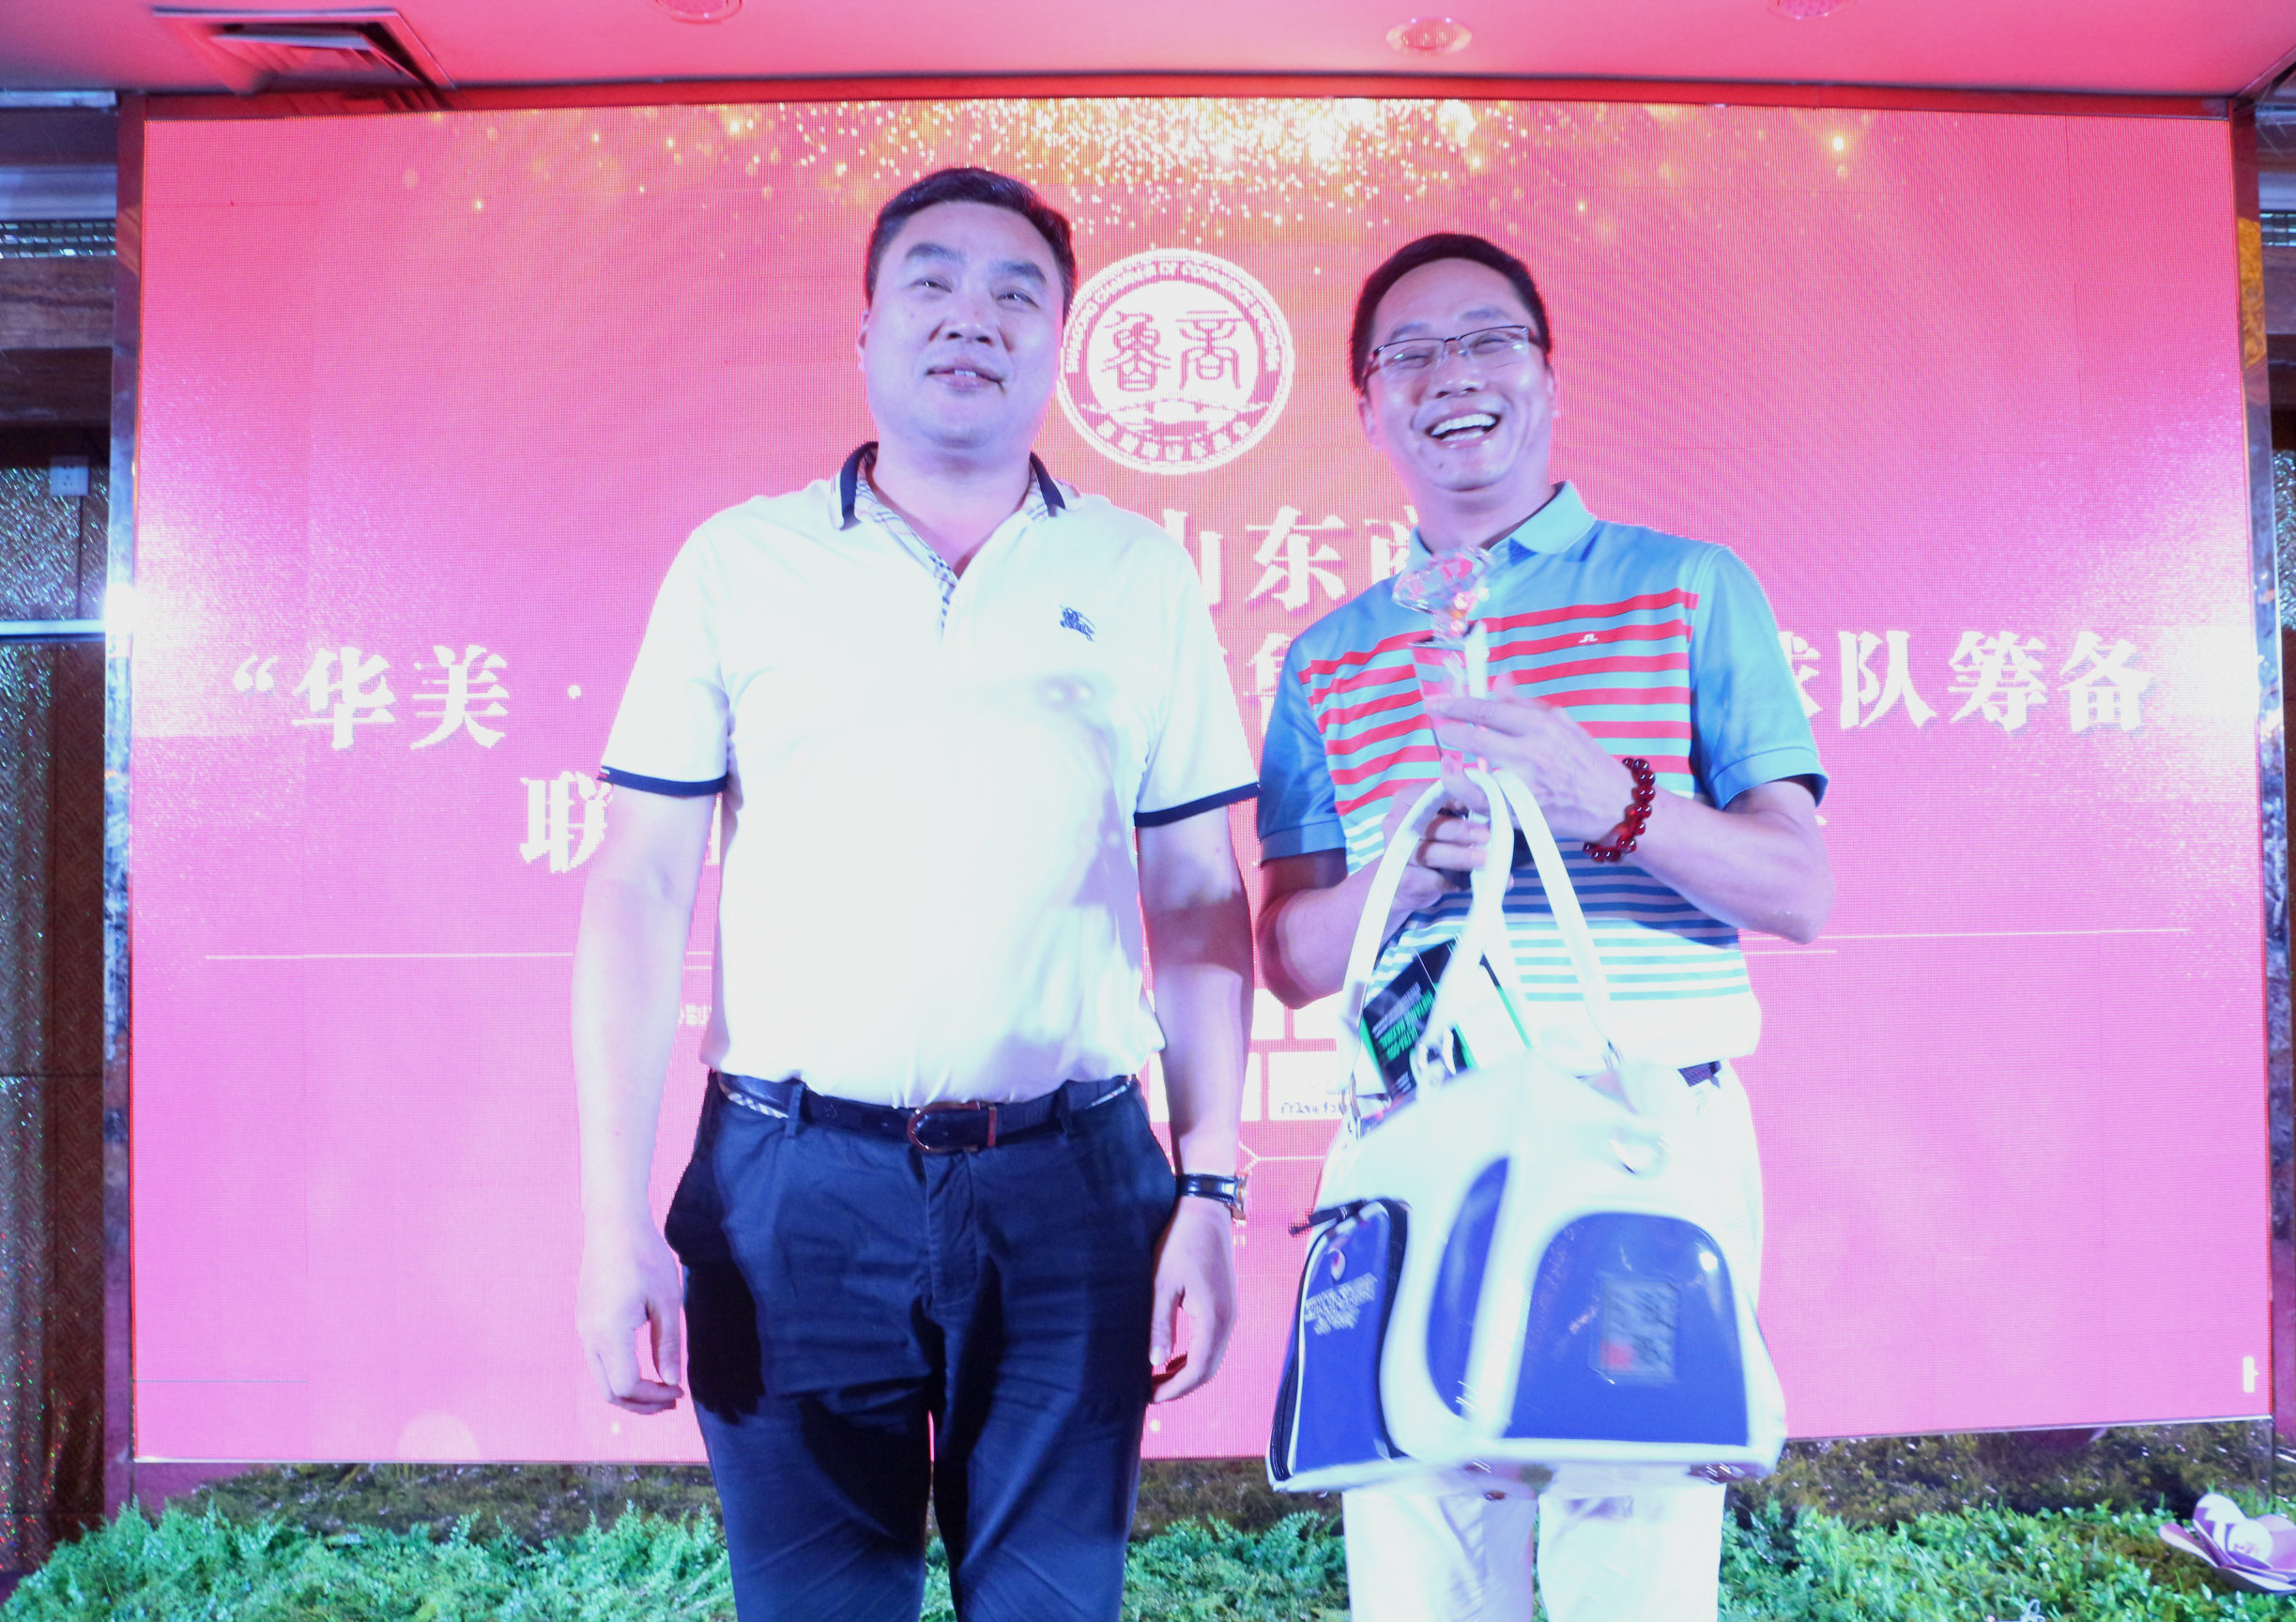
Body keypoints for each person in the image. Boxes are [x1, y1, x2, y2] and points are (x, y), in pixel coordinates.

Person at [571, 167, 1257, 1622]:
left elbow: (1201, 893)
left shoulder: (1137, 573)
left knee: (1055, 1606)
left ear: (1057, 343)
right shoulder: (741, 564)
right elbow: (639, 883)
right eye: (930, 284)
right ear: (866, 331)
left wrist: (1210, 1187)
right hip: (791, 1188)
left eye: (1017, 293)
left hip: (1076, 1189)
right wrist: (610, 1219)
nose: (971, 318)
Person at [1255, 232, 1832, 1622]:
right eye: (1410, 353)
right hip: (1412, 1130)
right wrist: (1405, 879)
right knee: (1423, 1564)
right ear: (1368, 408)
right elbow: (1290, 959)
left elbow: (1797, 889)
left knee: (1633, 1560)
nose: (1452, 375)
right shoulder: (1327, 656)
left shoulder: (1688, 587)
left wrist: (1608, 801)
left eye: (1487, 340)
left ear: (1548, 375)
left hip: (1636, 1129)